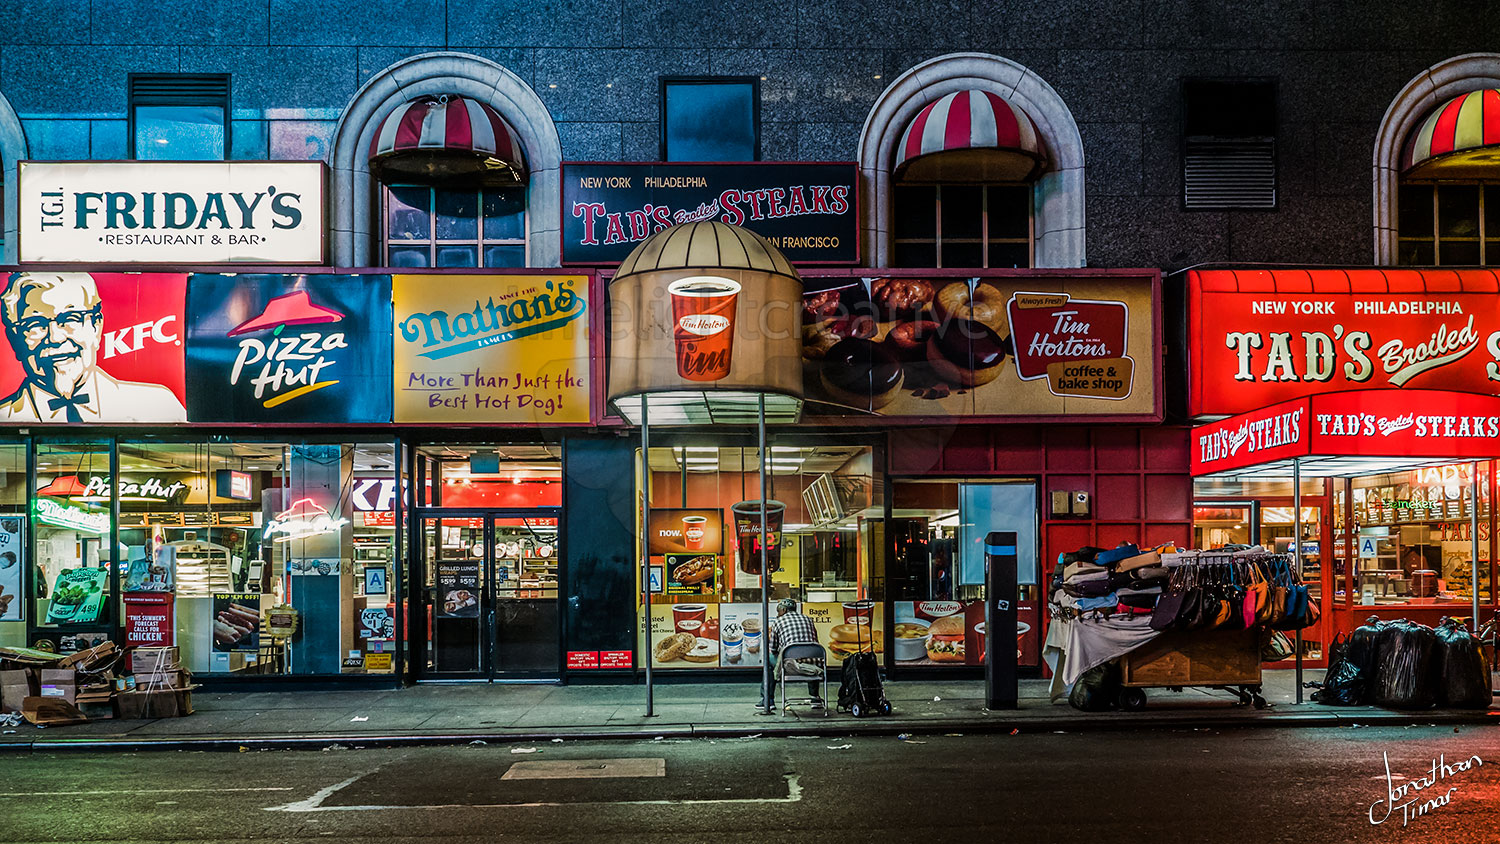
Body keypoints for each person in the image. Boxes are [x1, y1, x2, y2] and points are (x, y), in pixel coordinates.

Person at [0, 272, 185, 422]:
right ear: (14, 339)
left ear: (96, 327)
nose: (55, 337)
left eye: (70, 319)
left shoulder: (158, 405)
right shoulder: (5, 416)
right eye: (35, 324)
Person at [762, 597, 825, 709]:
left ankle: (768, 700)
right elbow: (815, 641)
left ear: (784, 610)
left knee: (768, 659)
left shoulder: (778, 621)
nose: (778, 614)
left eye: (778, 611)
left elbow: (773, 648)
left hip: (791, 665)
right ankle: (815, 697)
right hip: (813, 665)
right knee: (811, 658)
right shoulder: (808, 619)